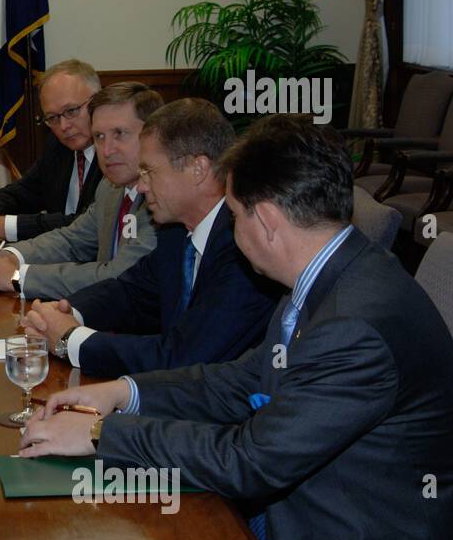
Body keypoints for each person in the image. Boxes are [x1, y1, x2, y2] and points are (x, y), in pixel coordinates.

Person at [18, 115, 453, 540]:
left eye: (234, 215)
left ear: (266, 221)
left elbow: (251, 462)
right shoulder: (329, 274)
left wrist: (105, 434)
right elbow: (243, 380)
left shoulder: (355, 325)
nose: (230, 231)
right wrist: (123, 394)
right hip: (303, 517)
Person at [22, 98, 280, 376]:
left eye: (149, 172)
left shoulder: (241, 247)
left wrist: (70, 339)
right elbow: (131, 293)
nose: (141, 185)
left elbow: (182, 359)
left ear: (198, 169)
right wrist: (68, 311)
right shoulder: (176, 232)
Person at [0, 82, 161, 297]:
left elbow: (118, 276)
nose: (107, 150)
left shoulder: (161, 201)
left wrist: (17, 276)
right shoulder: (111, 188)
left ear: (152, 135)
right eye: (99, 136)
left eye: (120, 134)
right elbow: (72, 240)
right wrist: (10, 255)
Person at [0, 58, 103, 243]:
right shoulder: (59, 144)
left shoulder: (115, 157)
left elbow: (83, 225)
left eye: (71, 110)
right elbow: (25, 190)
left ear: (97, 101)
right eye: (52, 117)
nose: (64, 126)